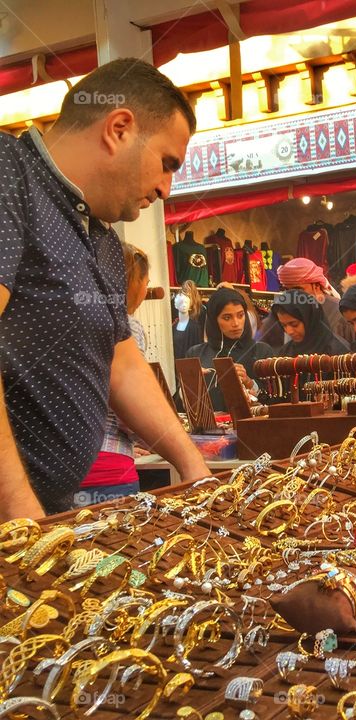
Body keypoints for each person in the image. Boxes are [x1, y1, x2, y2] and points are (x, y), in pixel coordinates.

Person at [0, 57, 210, 518]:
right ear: (118, 129)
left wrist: (194, 469)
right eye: (167, 163)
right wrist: (21, 517)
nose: (166, 189)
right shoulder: (8, 172)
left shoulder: (106, 242)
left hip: (48, 513)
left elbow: (122, 365)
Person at [78, 243, 151, 505]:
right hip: (110, 469)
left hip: (60, 467)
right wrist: (150, 436)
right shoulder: (128, 328)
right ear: (133, 282)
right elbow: (127, 399)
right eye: (146, 280)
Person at [186, 287, 274, 411]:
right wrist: (191, 382)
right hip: (207, 428)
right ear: (214, 320)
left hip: (250, 428)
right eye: (227, 318)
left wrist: (249, 382)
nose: (236, 323)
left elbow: (274, 401)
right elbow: (181, 405)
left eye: (240, 315)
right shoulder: (196, 353)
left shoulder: (261, 351)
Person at [277, 257, 353, 344]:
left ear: (316, 286)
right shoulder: (287, 315)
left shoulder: (340, 312)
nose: (292, 296)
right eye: (287, 290)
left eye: (298, 290)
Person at [271, 289, 350, 357]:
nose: (289, 331)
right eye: (283, 325)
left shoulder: (337, 351)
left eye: (294, 324)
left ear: (310, 319)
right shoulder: (285, 352)